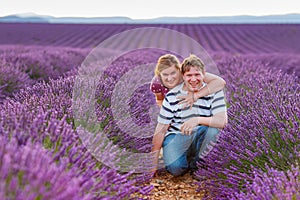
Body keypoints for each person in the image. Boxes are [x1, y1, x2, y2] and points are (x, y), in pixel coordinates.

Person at [151, 54, 228, 177]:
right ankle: (186, 156)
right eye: (189, 75)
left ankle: (198, 164)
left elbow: (222, 121)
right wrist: (152, 165)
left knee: (213, 130)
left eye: (197, 75)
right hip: (177, 135)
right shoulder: (169, 94)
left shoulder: (214, 91)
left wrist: (196, 119)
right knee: (176, 170)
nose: (193, 79)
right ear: (183, 76)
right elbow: (160, 130)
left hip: (200, 132)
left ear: (204, 74)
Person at [150, 54, 226, 108]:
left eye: (173, 73)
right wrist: (166, 114)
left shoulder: (187, 74)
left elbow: (220, 82)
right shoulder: (157, 83)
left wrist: (196, 96)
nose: (169, 78)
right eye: (165, 74)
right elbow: (160, 100)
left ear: (179, 70)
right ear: (159, 74)